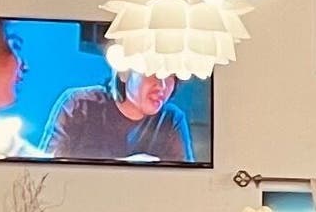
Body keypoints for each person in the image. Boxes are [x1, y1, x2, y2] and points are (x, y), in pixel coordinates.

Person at [42, 70, 201, 165]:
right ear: (125, 73)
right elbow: (46, 171)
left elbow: (185, 184)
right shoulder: (78, 104)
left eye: (169, 75)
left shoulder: (171, 119)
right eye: (151, 73)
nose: (161, 86)